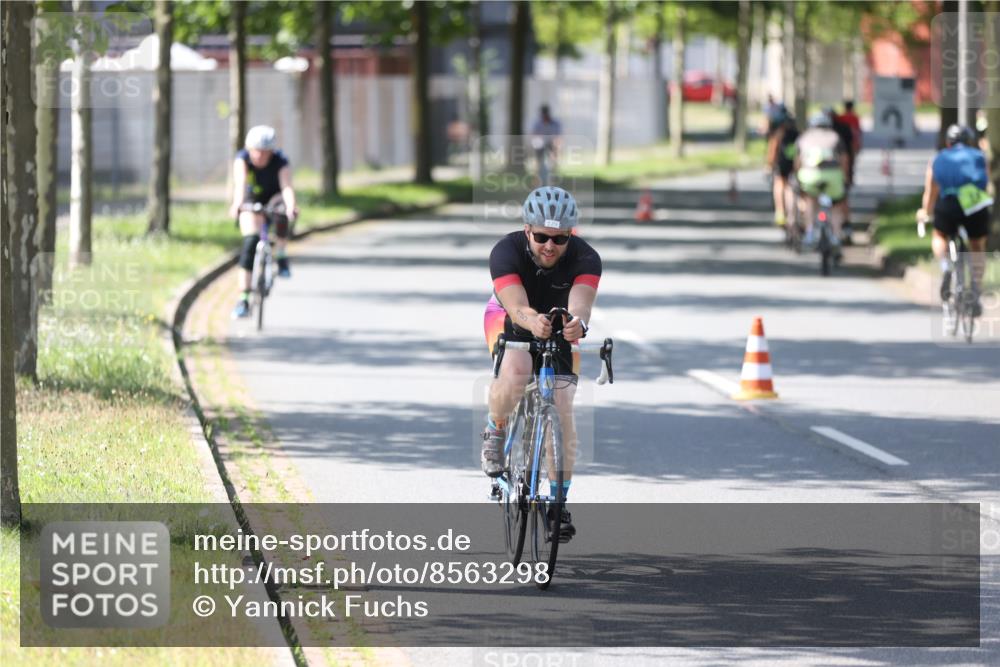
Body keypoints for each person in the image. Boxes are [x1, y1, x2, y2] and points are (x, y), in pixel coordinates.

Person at [482, 186, 601, 541]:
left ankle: (557, 503)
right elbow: (515, 305)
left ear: (571, 235)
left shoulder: (586, 258)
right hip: (510, 316)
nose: (550, 246)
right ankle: (495, 427)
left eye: (560, 238)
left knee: (562, 407)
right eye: (541, 236)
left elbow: (581, 305)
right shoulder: (505, 251)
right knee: (517, 371)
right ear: (526, 229)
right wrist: (531, 320)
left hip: (559, 325)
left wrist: (577, 322)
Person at [917, 124, 991, 317]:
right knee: (977, 245)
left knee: (939, 235)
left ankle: (945, 266)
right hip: (974, 203)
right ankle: (975, 287)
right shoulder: (979, 156)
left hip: (948, 202)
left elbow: (931, 191)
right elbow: (986, 184)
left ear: (948, 142)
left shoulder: (938, 158)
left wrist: (926, 211)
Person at [229, 126, 298, 319]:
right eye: (255, 151)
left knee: (283, 215)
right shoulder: (242, 159)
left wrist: (291, 205)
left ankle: (282, 255)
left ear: (271, 152)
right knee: (250, 243)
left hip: (274, 198)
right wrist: (237, 204)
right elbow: (240, 183)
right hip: (251, 200)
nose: (259, 156)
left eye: (264, 152)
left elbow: (286, 187)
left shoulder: (280, 161)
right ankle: (243, 299)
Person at [794, 110, 850, 248]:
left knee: (810, 200)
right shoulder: (835, 137)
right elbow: (844, 160)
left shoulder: (804, 138)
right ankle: (836, 235)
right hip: (833, 176)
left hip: (809, 176)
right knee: (836, 205)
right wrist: (845, 177)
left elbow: (798, 161)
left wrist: (797, 176)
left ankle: (810, 232)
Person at [766, 110, 799, 227]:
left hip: (781, 162)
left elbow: (773, 149)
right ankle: (791, 214)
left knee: (779, 184)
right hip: (794, 164)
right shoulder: (797, 134)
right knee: (790, 188)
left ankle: (780, 211)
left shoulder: (778, 133)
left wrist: (769, 164)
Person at [530, 105, 562, 185]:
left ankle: (553, 180)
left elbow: (557, 136)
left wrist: (556, 146)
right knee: (538, 162)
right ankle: (536, 180)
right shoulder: (537, 123)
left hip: (551, 144)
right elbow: (534, 135)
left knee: (553, 160)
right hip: (540, 145)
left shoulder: (555, 123)